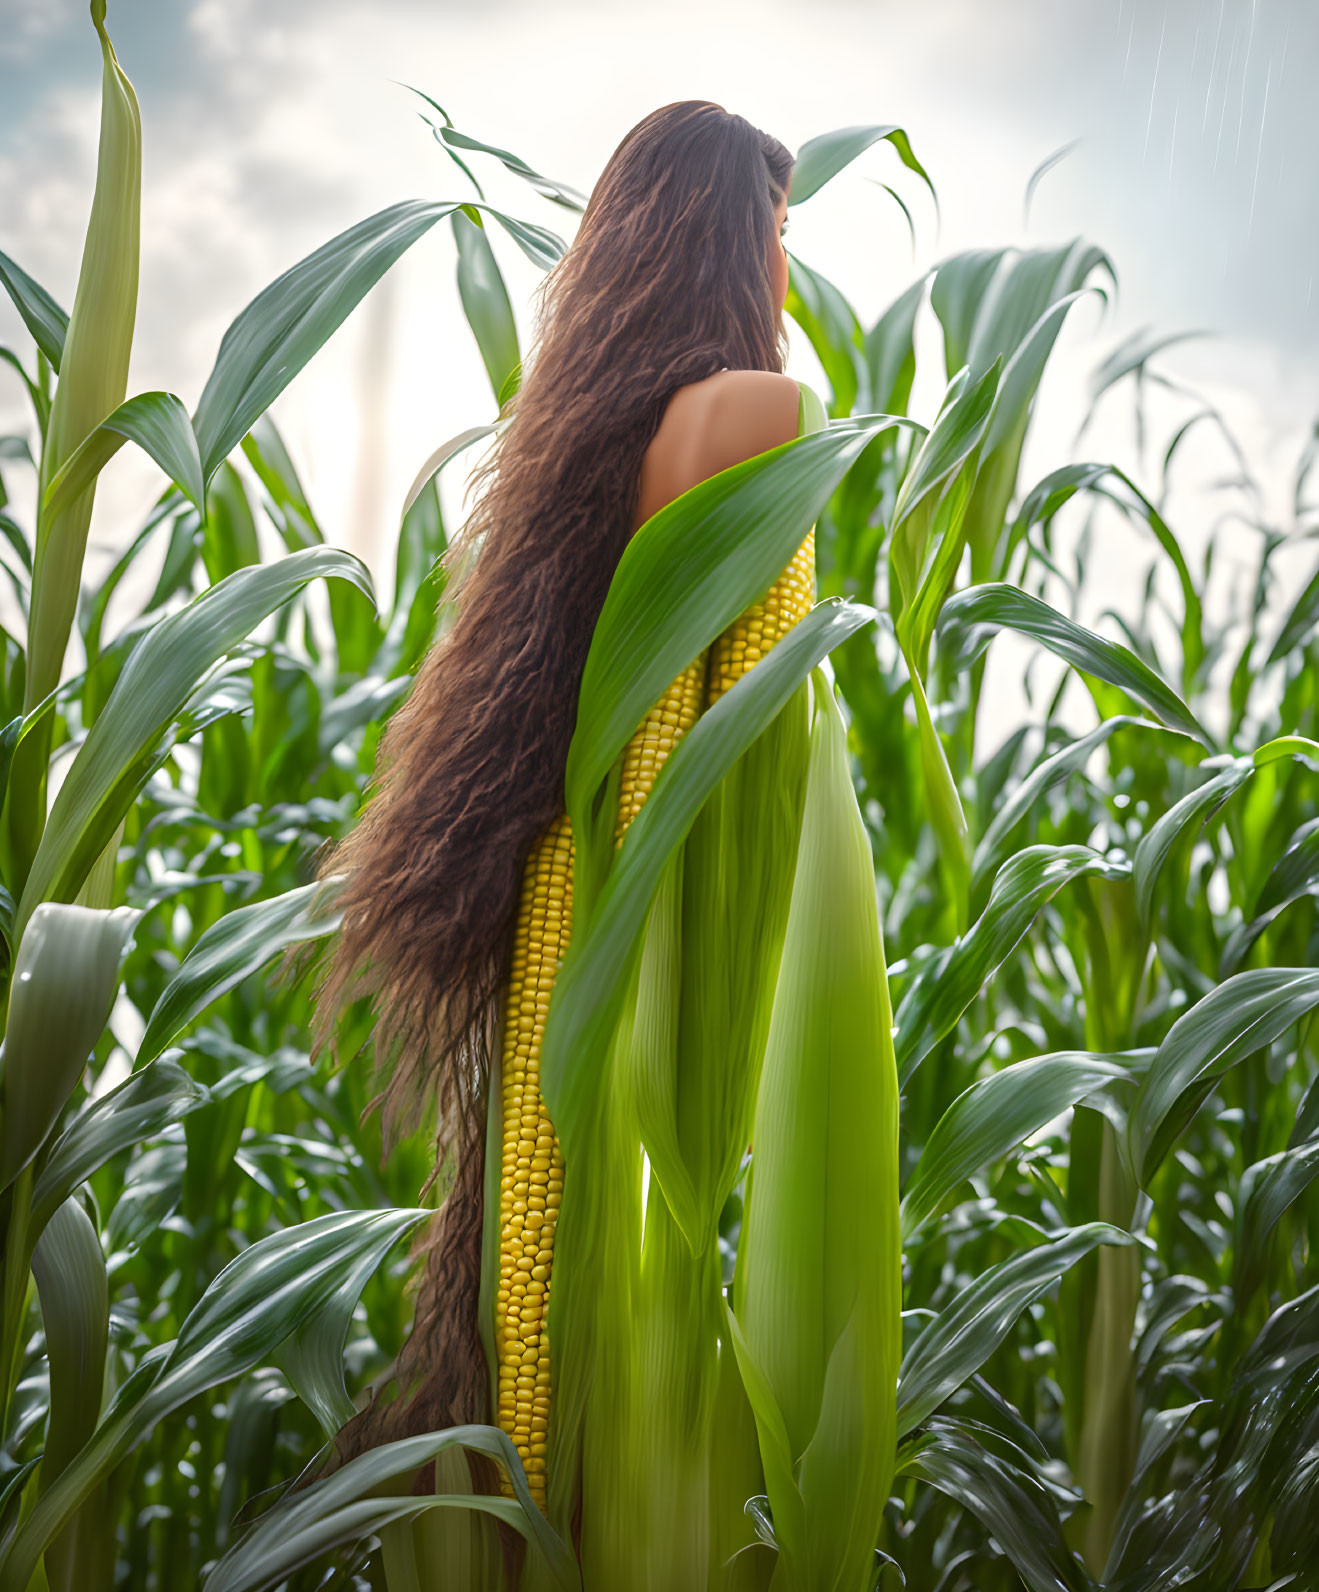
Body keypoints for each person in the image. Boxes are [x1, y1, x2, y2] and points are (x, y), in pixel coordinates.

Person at [307, 99, 807, 1491]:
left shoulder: (592, 436)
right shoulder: (757, 414)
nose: (785, 269)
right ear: (734, 242)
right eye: (778, 232)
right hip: (655, 926)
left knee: (528, 1297)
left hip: (564, 913)